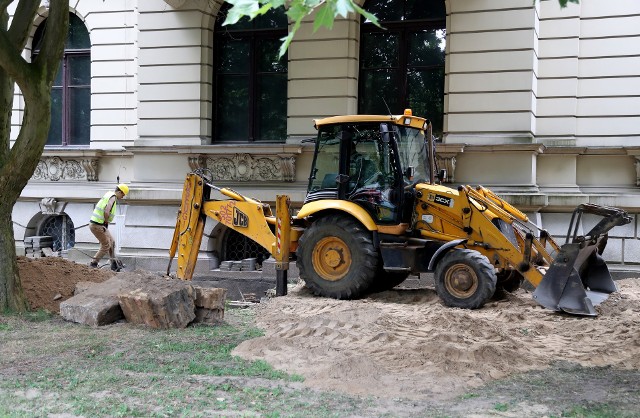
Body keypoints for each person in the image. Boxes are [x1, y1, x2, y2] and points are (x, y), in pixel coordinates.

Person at [89, 184, 129, 271]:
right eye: (123, 194)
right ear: (119, 192)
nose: (123, 197)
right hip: (98, 225)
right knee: (106, 245)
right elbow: (107, 211)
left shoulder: (109, 194)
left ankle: (114, 264)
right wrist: (106, 222)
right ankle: (93, 263)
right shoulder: (113, 197)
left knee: (112, 242)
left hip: (98, 224)